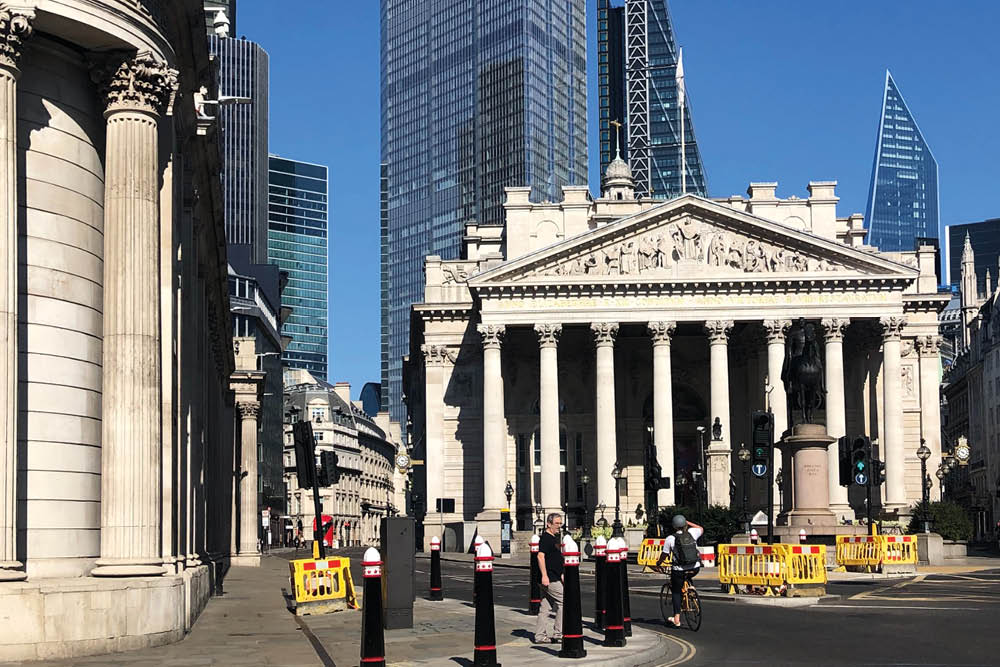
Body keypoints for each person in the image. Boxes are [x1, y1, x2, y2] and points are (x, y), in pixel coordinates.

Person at [660, 514, 703, 628]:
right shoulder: (693, 533)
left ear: (674, 526)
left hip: (679, 569)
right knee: (688, 576)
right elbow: (701, 528)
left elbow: (664, 555)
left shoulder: (670, 539)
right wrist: (688, 522)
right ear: (684, 525)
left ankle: (677, 618)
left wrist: (658, 563)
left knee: (676, 592)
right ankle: (691, 589)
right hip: (695, 567)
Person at [534, 513, 564, 644]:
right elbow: (541, 556)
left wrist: (561, 573)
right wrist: (545, 576)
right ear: (549, 524)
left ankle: (540, 636)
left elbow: (554, 560)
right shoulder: (546, 538)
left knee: (545, 607)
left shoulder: (553, 538)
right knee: (564, 602)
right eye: (556, 523)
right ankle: (559, 634)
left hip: (553, 576)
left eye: (560, 523)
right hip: (550, 578)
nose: (559, 526)